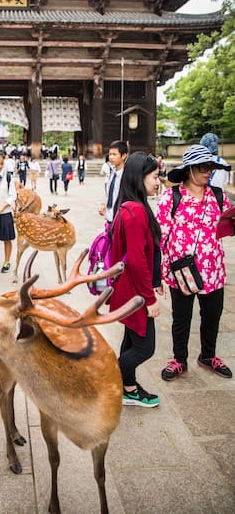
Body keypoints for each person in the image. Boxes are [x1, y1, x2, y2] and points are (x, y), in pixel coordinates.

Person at [156, 144, 233, 381]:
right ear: (189, 170)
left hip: (213, 271)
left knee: (212, 315)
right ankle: (179, 359)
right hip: (182, 271)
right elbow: (159, 237)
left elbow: (229, 225)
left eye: (212, 167)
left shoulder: (219, 196)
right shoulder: (172, 197)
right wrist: (157, 274)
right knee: (182, 318)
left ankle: (207, 356)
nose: (208, 172)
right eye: (203, 167)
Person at [108, 152, 162, 407]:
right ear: (139, 178)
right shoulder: (135, 212)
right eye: (154, 176)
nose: (158, 181)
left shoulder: (130, 208)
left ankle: (127, 387)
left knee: (132, 339)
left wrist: (155, 280)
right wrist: (149, 298)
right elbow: (138, 261)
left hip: (130, 289)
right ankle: (114, 380)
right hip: (134, 293)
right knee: (144, 347)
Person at [99, 140, 128, 223]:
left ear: (123, 156)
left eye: (114, 154)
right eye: (110, 154)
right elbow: (112, 195)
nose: (111, 157)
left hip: (120, 219)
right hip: (109, 218)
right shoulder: (112, 174)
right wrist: (106, 205)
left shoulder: (126, 176)